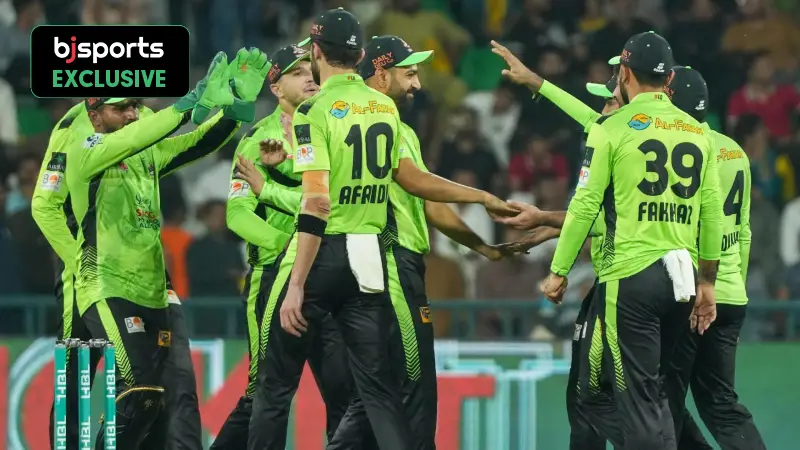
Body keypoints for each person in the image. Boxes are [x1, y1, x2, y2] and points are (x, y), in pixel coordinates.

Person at [233, 8, 514, 450]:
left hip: (322, 251)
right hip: (369, 258)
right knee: (378, 390)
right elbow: (407, 178)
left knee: (274, 387)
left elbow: (318, 201)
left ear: (317, 52)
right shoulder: (385, 109)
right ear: (361, 56)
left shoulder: (312, 111)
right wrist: (479, 196)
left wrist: (297, 283)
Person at [60, 49, 267, 449]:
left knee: (162, 397)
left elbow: (196, 144)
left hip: (154, 289)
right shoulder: (84, 148)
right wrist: (187, 105)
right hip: (107, 285)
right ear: (95, 113)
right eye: (120, 108)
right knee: (137, 388)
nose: (131, 114)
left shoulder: (146, 152)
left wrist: (236, 109)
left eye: (135, 105)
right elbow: (138, 136)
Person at [529, 32, 722, 450]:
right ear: (668, 79)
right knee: (654, 392)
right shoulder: (698, 133)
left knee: (633, 397)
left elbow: (584, 205)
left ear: (625, 74)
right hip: (683, 280)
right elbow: (711, 214)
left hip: (631, 278)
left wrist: (558, 271)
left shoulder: (611, 129)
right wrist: (707, 283)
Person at [322, 35, 512, 450]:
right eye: (409, 74)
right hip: (391, 264)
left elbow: (428, 205)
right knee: (412, 388)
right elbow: (417, 182)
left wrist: (483, 248)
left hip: (388, 264)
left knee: (382, 391)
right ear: (380, 74)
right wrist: (481, 196)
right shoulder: (381, 122)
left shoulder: (391, 126)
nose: (418, 85)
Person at [33, 101, 204, 450]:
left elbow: (167, 151)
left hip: (141, 271)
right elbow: (44, 205)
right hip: (88, 270)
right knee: (76, 377)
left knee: (152, 385)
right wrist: (80, 260)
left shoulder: (143, 115)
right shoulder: (74, 125)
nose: (132, 112)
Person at [211, 44, 354, 450]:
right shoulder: (258, 140)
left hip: (325, 277)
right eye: (296, 72)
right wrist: (288, 245)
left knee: (344, 392)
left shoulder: (331, 128)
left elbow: (334, 203)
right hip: (274, 276)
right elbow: (237, 215)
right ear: (275, 88)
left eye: (311, 69)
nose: (309, 77)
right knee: (264, 392)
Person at [661, 67, 766, 450]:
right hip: (732, 292)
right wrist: (732, 283)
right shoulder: (734, 151)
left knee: (664, 400)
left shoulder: (681, 150)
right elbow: (744, 229)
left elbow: (680, 226)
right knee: (721, 403)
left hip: (694, 292)